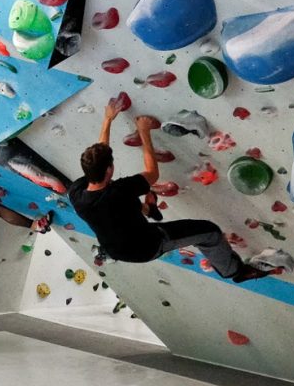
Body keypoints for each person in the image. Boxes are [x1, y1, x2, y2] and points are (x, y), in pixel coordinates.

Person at [68, 102, 269, 284]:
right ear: (110, 170)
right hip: (147, 246)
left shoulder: (77, 193)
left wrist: (108, 119)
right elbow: (152, 174)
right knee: (210, 233)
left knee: (121, 211)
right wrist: (144, 131)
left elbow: (100, 159)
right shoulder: (118, 192)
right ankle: (233, 271)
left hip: (116, 244)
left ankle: (148, 209)